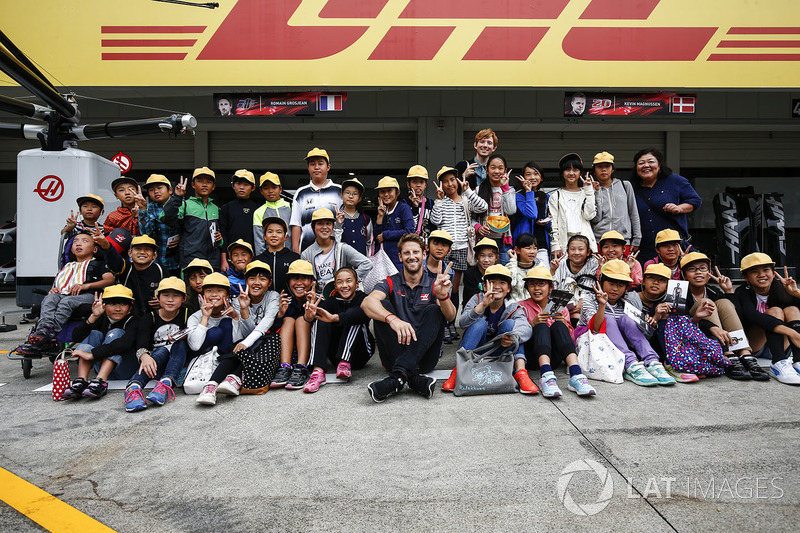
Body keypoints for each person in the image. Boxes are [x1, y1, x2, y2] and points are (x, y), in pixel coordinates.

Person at [362, 234, 456, 402]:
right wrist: (392, 319)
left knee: (435, 310)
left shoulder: (435, 283)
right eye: (406, 253)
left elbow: (450, 316)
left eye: (416, 252)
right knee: (382, 306)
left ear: (424, 254)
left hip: (425, 358)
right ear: (400, 256)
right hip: (394, 355)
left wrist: (443, 296)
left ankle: (397, 377)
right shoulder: (391, 281)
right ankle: (412, 378)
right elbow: (367, 303)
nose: (411, 256)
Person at [576, 260, 676, 387]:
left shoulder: (627, 302)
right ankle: (631, 365)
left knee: (626, 319)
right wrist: (602, 304)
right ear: (601, 281)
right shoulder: (590, 299)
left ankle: (652, 362)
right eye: (611, 283)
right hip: (594, 345)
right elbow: (595, 330)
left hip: (619, 348)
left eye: (621, 285)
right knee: (609, 319)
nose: (615, 289)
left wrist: (653, 320)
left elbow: (644, 336)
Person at [15, 231, 115, 356]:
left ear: (95, 249)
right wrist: (54, 289)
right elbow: (59, 284)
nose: (79, 243)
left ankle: (51, 333)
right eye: (75, 242)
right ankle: (43, 329)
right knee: (50, 297)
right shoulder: (68, 266)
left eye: (85, 241)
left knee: (67, 301)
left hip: (88, 295)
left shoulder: (98, 264)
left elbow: (109, 280)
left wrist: (86, 285)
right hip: (64, 294)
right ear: (72, 250)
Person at [442, 265, 534, 394]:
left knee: (512, 326)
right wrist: (482, 306)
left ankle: (521, 373)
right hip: (477, 351)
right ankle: (458, 370)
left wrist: (513, 338)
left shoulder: (513, 305)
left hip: (500, 350)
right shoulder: (477, 299)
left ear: (508, 289)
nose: (496, 286)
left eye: (502, 283)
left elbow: (526, 328)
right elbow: (462, 323)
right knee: (479, 323)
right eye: (491, 282)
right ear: (484, 286)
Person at [198, 261, 281, 405]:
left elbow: (264, 326)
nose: (257, 283)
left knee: (258, 342)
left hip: (266, 345)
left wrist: (245, 343)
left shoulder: (273, 296)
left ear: (269, 283)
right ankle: (211, 387)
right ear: (246, 281)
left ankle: (234, 379)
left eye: (262, 279)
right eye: (252, 278)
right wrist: (243, 309)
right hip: (246, 345)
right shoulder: (238, 300)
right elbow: (243, 334)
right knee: (237, 348)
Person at [636, 264, 735, 382]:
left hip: (671, 346)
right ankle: (672, 364)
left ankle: (684, 362)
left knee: (676, 316)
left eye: (662, 280)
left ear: (667, 286)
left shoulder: (671, 299)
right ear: (643, 281)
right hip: (644, 347)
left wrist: (698, 319)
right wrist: (656, 317)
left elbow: (683, 328)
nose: (656, 282)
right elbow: (634, 332)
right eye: (651, 278)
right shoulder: (633, 298)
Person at [681, 251, 769, 380]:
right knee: (707, 303)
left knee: (724, 302)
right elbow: (679, 322)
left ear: (709, 272)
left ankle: (744, 353)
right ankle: (727, 354)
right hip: (693, 340)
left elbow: (737, 317)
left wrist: (728, 291)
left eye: (703, 268)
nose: (698, 272)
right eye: (692, 269)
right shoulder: (680, 292)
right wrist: (712, 327)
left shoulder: (714, 291)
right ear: (684, 275)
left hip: (718, 338)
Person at [517, 266, 596, 397]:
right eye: (532, 284)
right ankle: (546, 377)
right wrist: (532, 324)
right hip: (532, 357)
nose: (536, 288)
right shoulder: (521, 306)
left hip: (554, 357)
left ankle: (576, 374)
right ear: (527, 288)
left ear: (550, 287)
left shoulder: (561, 308)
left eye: (541, 284)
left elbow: (571, 339)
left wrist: (564, 324)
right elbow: (519, 336)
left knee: (559, 325)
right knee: (541, 326)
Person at [430, 166, 488, 334]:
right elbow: (435, 220)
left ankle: (450, 322)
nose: (449, 184)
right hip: (444, 249)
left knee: (454, 288)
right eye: (445, 181)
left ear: (458, 180)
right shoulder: (441, 202)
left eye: (452, 180)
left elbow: (483, 207)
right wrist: (439, 200)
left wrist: (468, 191)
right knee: (443, 287)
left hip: (462, 248)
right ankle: (443, 324)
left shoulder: (465, 200)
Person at [303, 267, 375, 393]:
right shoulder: (331, 301)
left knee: (354, 317)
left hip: (359, 354)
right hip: (335, 357)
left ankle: (344, 361)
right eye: (340, 282)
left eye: (349, 281)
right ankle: (317, 371)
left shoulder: (364, 298)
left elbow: (360, 314)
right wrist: (310, 316)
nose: (344, 285)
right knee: (321, 319)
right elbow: (316, 317)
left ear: (357, 283)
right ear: (335, 285)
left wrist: (336, 318)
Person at [731, 253, 800, 385]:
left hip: (783, 345)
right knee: (775, 311)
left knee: (793, 310)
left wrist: (796, 293)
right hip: (756, 345)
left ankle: (798, 361)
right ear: (745, 277)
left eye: (766, 270)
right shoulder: (742, 292)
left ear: (774, 273)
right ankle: (778, 363)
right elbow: (752, 316)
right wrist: (791, 332)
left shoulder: (782, 289)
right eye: (754, 272)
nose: (762, 275)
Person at [124, 277, 190, 412]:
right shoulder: (150, 317)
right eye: (165, 295)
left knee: (180, 344)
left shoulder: (187, 314)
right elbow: (141, 342)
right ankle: (133, 388)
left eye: (176, 296)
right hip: (154, 365)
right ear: (157, 297)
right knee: (162, 351)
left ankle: (165, 384)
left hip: (178, 364)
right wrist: (144, 356)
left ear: (184, 298)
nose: (170, 300)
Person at [63, 285, 139, 399]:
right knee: (94, 333)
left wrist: (92, 354)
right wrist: (93, 316)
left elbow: (125, 343)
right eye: (112, 304)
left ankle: (101, 381)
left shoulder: (135, 319)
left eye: (123, 304)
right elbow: (76, 337)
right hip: (101, 366)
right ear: (104, 304)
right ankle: (81, 381)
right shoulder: (100, 317)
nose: (118, 308)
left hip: (125, 369)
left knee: (116, 333)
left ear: (130, 306)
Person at [632, 148, 701, 264]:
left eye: (651, 161)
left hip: (673, 247)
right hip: (645, 249)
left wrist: (679, 208)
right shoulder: (631, 188)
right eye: (641, 163)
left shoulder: (675, 181)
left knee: (677, 278)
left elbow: (695, 201)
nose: (646, 165)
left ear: (659, 165)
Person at [190, 273, 242, 401]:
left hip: (225, 358)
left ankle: (220, 377)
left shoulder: (233, 313)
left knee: (226, 323)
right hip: (203, 359)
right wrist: (205, 317)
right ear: (202, 295)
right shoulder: (195, 316)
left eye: (219, 291)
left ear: (228, 296)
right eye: (209, 291)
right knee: (215, 332)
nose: (214, 295)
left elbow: (239, 344)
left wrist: (235, 318)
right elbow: (195, 346)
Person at [269, 260, 317, 390]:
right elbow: (272, 330)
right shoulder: (285, 301)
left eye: (304, 278)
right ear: (288, 282)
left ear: (312, 282)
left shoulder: (319, 300)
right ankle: (284, 367)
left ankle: (301, 368)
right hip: (289, 353)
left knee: (302, 320)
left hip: (312, 353)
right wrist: (280, 314)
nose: (299, 283)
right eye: (294, 278)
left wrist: (312, 313)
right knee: (288, 319)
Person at [301, 208, 372, 293]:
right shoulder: (306, 254)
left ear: (333, 226)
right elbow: (304, 282)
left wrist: (348, 279)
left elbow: (367, 264)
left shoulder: (342, 248)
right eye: (320, 224)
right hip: (318, 299)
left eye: (328, 224)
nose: (324, 227)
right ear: (313, 227)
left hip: (342, 297)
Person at [168, 167, 224, 270]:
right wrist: (177, 197)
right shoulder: (185, 204)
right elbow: (166, 218)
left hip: (212, 260)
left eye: (208, 182)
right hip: (190, 259)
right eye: (199, 181)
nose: (204, 184)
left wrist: (220, 238)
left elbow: (220, 234)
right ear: (193, 185)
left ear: (213, 187)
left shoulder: (216, 209)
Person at [290, 148, 342, 252]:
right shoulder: (301, 193)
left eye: (320, 163)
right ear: (308, 167)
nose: (316, 167)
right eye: (312, 164)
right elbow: (296, 224)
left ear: (328, 167)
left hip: (334, 250)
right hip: (307, 250)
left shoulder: (339, 191)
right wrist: (296, 251)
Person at [590, 152, 641, 253]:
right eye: (599, 167)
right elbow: (594, 218)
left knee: (623, 268)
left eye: (607, 166)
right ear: (594, 171)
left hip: (623, 240)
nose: (603, 169)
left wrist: (637, 238)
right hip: (599, 241)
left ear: (612, 169)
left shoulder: (625, 185)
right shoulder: (590, 190)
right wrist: (595, 192)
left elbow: (633, 212)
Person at [548, 153, 597, 259]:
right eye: (567, 170)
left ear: (580, 173)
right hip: (564, 244)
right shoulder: (555, 196)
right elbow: (553, 223)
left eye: (575, 170)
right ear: (562, 173)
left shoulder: (586, 193)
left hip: (585, 242)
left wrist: (589, 191)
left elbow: (590, 215)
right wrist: (555, 245)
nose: (571, 173)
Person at [104, 234, 165, 316]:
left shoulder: (160, 270)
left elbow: (168, 293)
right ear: (130, 253)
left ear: (154, 255)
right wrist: (106, 245)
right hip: (128, 315)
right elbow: (114, 260)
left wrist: (162, 302)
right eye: (138, 249)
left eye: (147, 249)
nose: (142, 252)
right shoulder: (125, 266)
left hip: (153, 315)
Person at [473, 154, 517, 265]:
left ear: (505, 171)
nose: (497, 171)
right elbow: (469, 217)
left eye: (500, 168)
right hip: (483, 241)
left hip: (503, 241)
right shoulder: (478, 190)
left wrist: (505, 187)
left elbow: (511, 211)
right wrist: (477, 227)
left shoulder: (510, 190)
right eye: (493, 168)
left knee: (504, 274)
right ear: (487, 170)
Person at [550, 234, 599, 325]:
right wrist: (553, 270)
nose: (576, 252)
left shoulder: (593, 264)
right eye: (572, 249)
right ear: (567, 251)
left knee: (579, 312)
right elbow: (554, 287)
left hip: (585, 301)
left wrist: (581, 303)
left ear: (588, 252)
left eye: (581, 249)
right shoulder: (561, 264)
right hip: (563, 300)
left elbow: (589, 287)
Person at [139, 174, 181, 275]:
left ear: (170, 190)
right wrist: (143, 210)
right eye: (151, 190)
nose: (156, 192)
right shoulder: (149, 208)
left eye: (159, 188)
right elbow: (146, 234)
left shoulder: (181, 204)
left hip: (180, 260)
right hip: (158, 260)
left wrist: (182, 237)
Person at [219, 169, 259, 272]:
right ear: (233, 186)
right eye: (238, 184)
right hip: (231, 260)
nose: (241, 187)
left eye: (246, 184)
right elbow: (223, 235)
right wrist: (224, 260)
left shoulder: (258, 209)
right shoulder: (226, 208)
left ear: (253, 187)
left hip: (252, 258)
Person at [511, 161, 550, 265]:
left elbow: (553, 222)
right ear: (523, 177)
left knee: (543, 277)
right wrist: (529, 192)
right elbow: (532, 214)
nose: (532, 177)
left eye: (536, 174)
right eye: (528, 174)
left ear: (541, 178)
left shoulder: (546, 197)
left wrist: (547, 222)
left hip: (541, 245)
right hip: (524, 245)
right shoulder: (518, 196)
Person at [374, 176, 415, 271]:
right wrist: (380, 216)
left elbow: (409, 231)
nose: (386, 194)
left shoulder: (403, 208)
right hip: (383, 260)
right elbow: (377, 237)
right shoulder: (383, 209)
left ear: (398, 192)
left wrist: (386, 235)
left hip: (399, 259)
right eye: (382, 192)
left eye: (389, 191)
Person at [254, 217, 300, 293]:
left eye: (279, 232)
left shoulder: (294, 258)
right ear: (265, 236)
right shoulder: (258, 260)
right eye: (270, 232)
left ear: (286, 237)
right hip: (265, 303)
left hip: (288, 302)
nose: (274, 235)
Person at [252, 172, 292, 256]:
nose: (270, 191)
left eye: (274, 187)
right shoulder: (258, 212)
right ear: (261, 191)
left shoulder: (291, 207)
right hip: (269, 258)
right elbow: (259, 241)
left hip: (290, 257)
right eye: (266, 188)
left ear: (280, 189)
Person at [60, 193, 105, 267]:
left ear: (102, 212)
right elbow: (64, 235)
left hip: (96, 264)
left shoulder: (103, 229)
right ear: (80, 211)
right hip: (73, 262)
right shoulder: (75, 225)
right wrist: (70, 227)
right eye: (85, 206)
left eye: (94, 206)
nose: (89, 209)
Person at [333, 177, 372, 256]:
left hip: (361, 263)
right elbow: (333, 242)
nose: (351, 196)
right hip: (342, 262)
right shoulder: (335, 217)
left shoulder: (365, 219)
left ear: (360, 198)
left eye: (355, 194)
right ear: (341, 195)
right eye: (347, 193)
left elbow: (369, 242)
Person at [462, 237, 500, 317]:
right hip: (474, 310)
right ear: (477, 257)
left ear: (496, 258)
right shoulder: (470, 273)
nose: (486, 260)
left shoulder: (499, 273)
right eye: (482, 256)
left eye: (490, 256)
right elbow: (471, 297)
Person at [401, 165, 435, 240]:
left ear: (425, 185)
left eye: (421, 182)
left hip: (425, 245)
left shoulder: (430, 203)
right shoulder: (403, 203)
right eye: (414, 182)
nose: (418, 185)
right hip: (409, 243)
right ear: (408, 184)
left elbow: (434, 226)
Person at [506, 233, 543, 303]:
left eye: (535, 248)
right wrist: (513, 261)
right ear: (517, 250)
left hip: (535, 305)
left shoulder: (540, 266)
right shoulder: (511, 266)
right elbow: (512, 283)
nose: (532, 252)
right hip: (516, 305)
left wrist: (552, 270)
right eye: (528, 248)